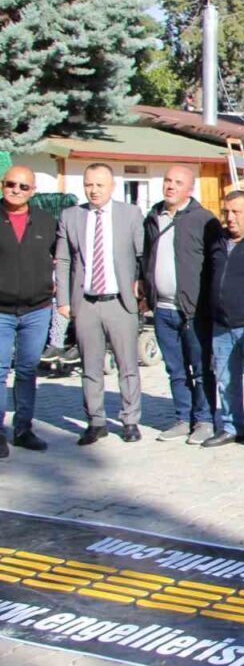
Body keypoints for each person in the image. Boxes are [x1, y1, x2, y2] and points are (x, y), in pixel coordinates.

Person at [55, 163, 145, 445]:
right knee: (90, 367)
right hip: (86, 303)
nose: (93, 190)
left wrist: (141, 286)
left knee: (127, 365)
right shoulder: (71, 216)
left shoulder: (130, 214)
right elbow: (64, 260)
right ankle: (95, 421)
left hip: (120, 302)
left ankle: (130, 420)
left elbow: (142, 255)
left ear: (112, 186)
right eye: (88, 184)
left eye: (99, 185)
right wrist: (63, 300)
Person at [143, 165, 221, 445]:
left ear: (190, 189)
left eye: (178, 182)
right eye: (167, 180)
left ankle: (204, 420)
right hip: (162, 309)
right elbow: (146, 256)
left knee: (200, 369)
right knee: (175, 370)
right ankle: (182, 418)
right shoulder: (153, 217)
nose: (171, 186)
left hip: (193, 310)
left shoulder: (204, 220)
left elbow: (215, 264)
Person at [0, 166, 57, 458]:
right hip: (1, 311)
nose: (16, 190)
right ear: (2, 184)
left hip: (37, 310)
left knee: (26, 371)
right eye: (11, 184)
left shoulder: (46, 222)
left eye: (24, 186)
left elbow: (62, 259)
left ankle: (23, 429)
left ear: (33, 191)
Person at [208, 191, 244, 448]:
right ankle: (232, 427)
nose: (230, 218)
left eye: (236, 212)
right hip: (221, 324)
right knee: (226, 380)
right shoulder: (218, 240)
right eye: (226, 212)